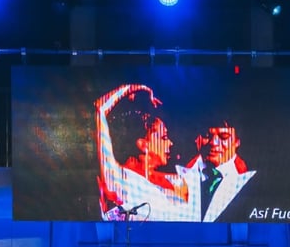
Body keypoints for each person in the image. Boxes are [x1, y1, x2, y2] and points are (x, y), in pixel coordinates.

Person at [95, 83, 198, 222]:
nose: (170, 143)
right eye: (164, 138)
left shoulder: (172, 180)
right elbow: (100, 109)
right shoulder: (120, 179)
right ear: (143, 144)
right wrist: (134, 88)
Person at [179, 121, 255, 222]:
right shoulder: (176, 172)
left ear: (237, 142)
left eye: (224, 137)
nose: (213, 142)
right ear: (197, 138)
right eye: (207, 136)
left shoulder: (253, 178)